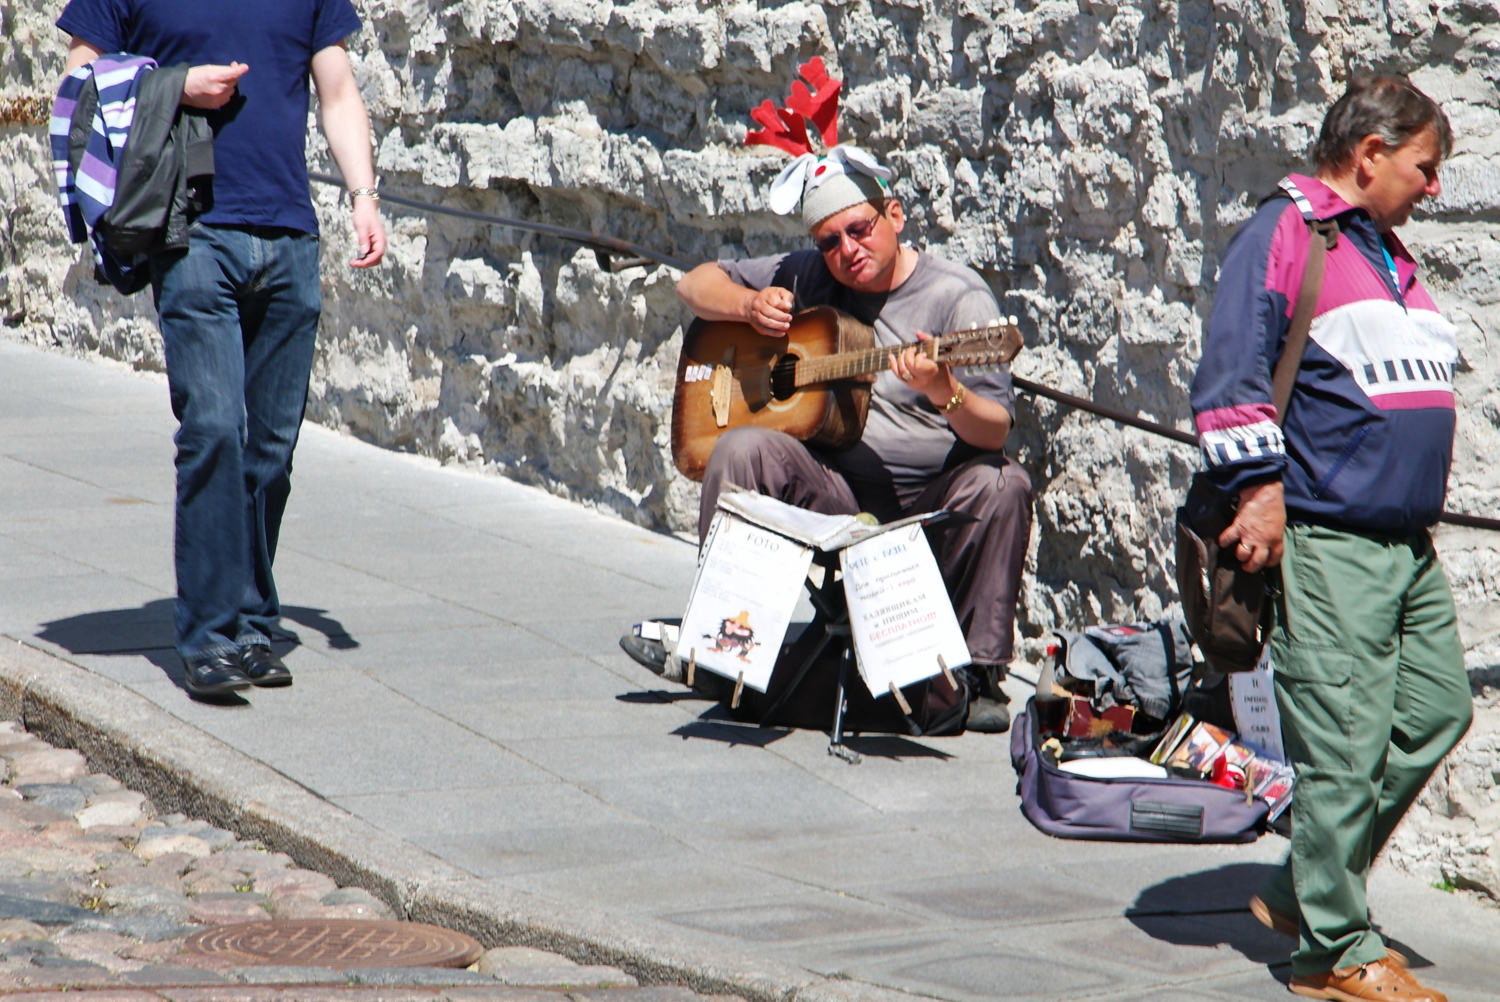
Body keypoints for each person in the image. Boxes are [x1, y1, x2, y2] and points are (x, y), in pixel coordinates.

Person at [1191, 76, 1470, 1002]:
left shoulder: (1385, 252)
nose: (1434, 188)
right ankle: (1333, 953)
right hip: (1332, 534)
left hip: (1406, 544)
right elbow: (1229, 372)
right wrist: (1260, 495)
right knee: (1347, 742)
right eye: (1425, 168)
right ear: (1369, 155)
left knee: (1435, 713)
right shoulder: (1287, 232)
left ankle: (1300, 885)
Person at [56, 0, 386, 697]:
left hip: (291, 234)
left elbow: (337, 88)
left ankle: (253, 623)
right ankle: (208, 635)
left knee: (270, 447)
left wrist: (363, 194)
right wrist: (175, 85)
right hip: (191, 230)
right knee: (212, 427)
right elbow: (77, 84)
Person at [671, 146, 1032, 733]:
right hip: (834, 491)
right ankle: (723, 645)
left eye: (859, 230)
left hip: (932, 502)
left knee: (1003, 482)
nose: (846, 251)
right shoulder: (810, 273)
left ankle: (978, 674)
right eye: (830, 241)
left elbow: (994, 428)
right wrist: (749, 305)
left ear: (894, 216)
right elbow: (693, 284)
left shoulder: (957, 297)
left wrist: (945, 390)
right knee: (740, 447)